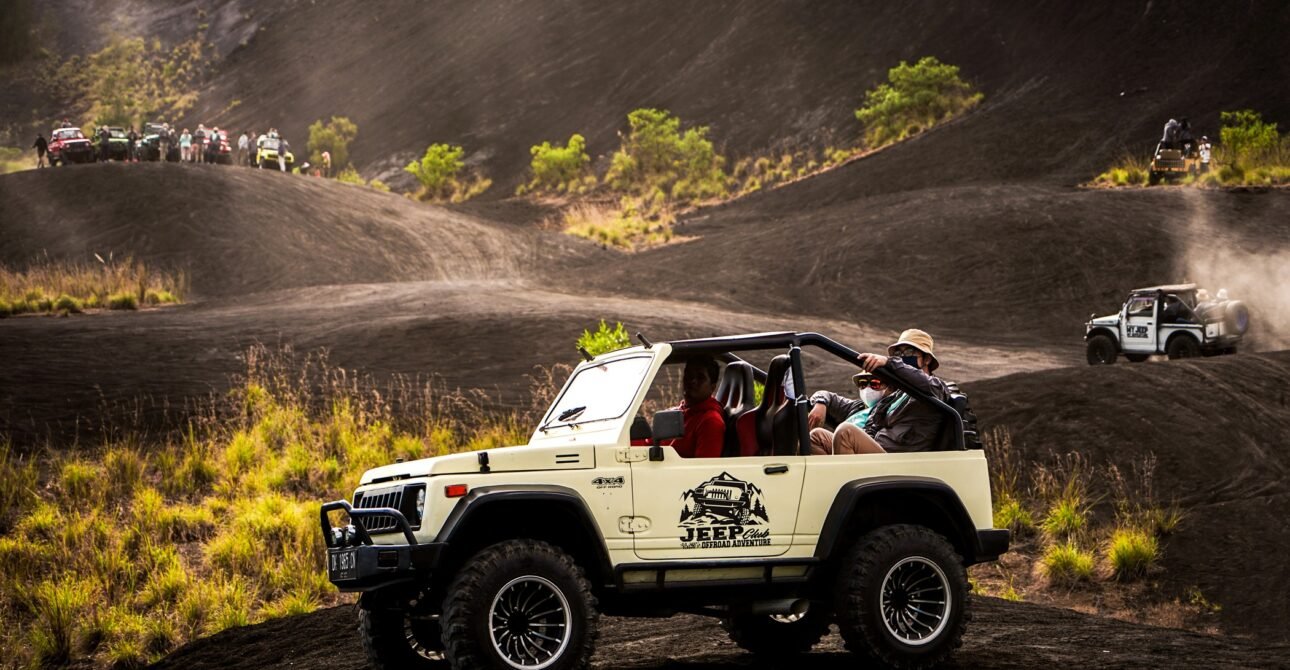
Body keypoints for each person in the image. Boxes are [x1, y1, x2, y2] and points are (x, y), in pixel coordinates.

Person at [830, 329, 951, 454]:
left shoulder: (936, 388)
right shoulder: (895, 395)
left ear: (927, 359)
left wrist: (889, 362)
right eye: (898, 353)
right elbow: (873, 424)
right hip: (879, 451)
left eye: (910, 352)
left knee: (846, 432)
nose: (903, 357)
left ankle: (851, 472)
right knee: (818, 437)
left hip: (902, 459)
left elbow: (922, 381)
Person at [807, 371, 888, 455]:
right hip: (845, 448)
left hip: (871, 453)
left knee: (845, 431)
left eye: (874, 383)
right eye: (862, 383)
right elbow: (826, 395)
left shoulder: (892, 408)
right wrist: (820, 403)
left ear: (889, 387)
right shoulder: (856, 407)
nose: (867, 389)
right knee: (815, 436)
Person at [663, 356, 726, 458]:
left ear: (712, 387)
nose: (692, 381)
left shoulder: (710, 421)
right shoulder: (676, 413)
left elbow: (704, 469)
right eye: (688, 375)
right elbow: (649, 445)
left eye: (700, 377)